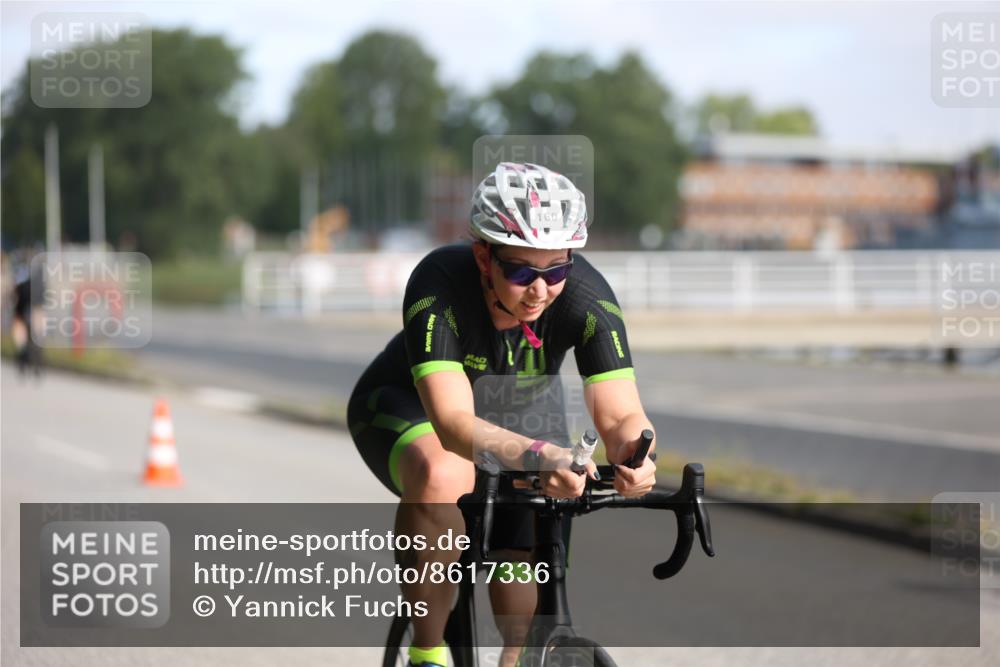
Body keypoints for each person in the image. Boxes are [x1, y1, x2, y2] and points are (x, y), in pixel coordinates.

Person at [347, 162, 657, 667]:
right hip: (411, 406)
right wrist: (541, 456)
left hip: (520, 417)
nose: (540, 290)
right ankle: (428, 649)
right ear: (483, 256)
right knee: (444, 473)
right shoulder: (439, 282)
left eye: (555, 271)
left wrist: (637, 454)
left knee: (525, 576)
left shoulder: (587, 296)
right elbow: (453, 424)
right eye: (520, 272)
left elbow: (623, 413)